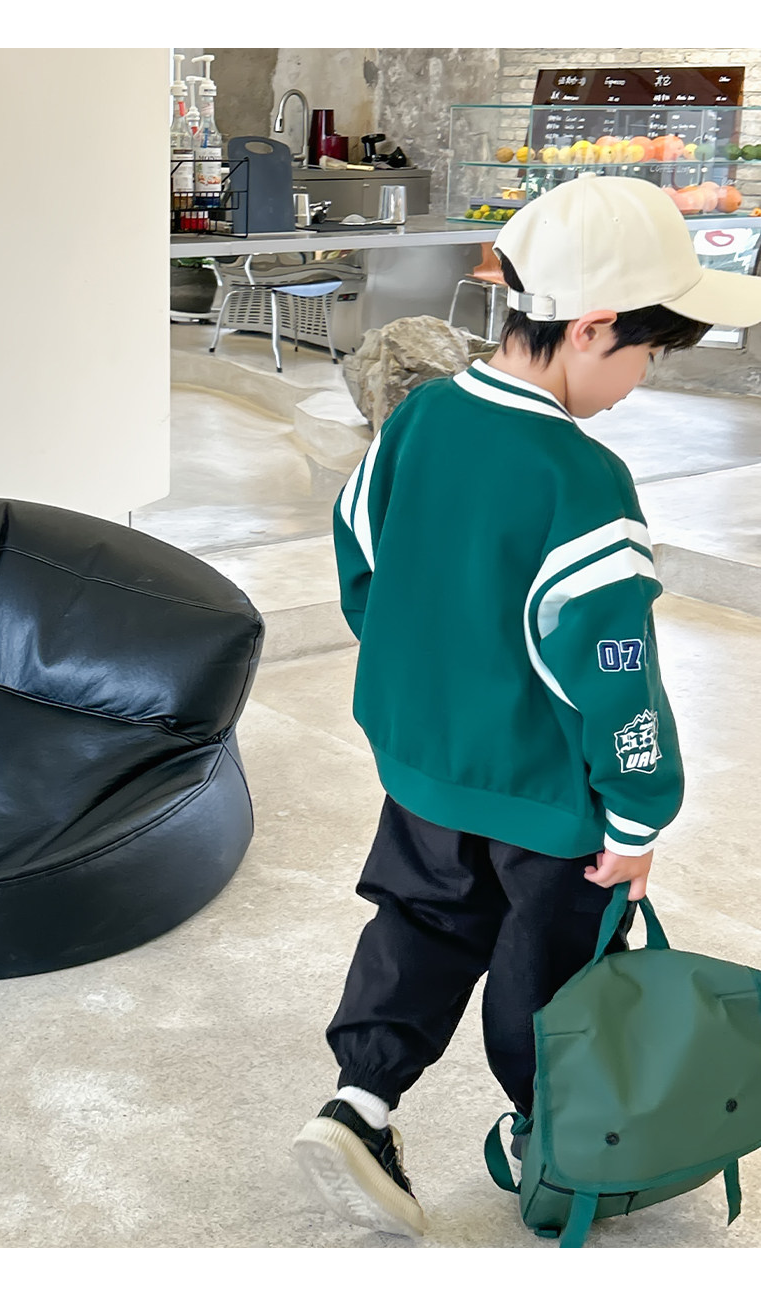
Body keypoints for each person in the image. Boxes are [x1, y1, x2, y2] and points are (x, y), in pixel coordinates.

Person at [292, 173, 761, 1240]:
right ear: (592, 327)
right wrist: (637, 815)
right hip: (549, 801)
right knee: (552, 975)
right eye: (648, 352)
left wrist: (421, 675)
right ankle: (558, 1147)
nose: (641, 380)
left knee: (419, 920)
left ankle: (359, 1104)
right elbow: (614, 672)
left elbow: (360, 553)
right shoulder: (580, 481)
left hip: (424, 765)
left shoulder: (419, 421)